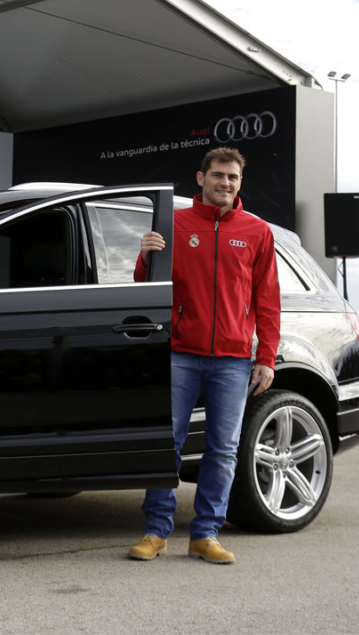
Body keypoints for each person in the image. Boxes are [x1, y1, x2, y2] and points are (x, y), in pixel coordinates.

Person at [128, 147, 280, 565]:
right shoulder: (174, 225)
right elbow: (146, 286)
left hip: (233, 358)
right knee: (167, 445)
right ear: (201, 178)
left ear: (240, 182)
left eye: (232, 177)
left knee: (223, 450)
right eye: (217, 175)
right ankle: (156, 531)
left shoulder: (257, 231)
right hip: (180, 353)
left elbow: (268, 299)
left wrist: (266, 356)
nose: (224, 183)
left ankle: (206, 534)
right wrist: (145, 256)